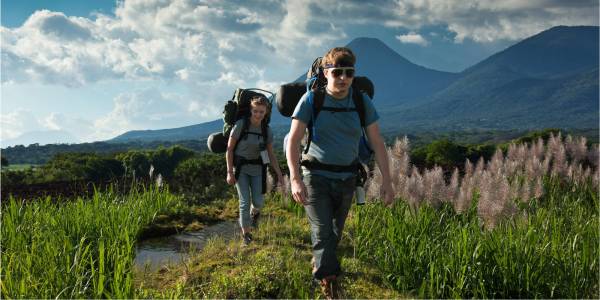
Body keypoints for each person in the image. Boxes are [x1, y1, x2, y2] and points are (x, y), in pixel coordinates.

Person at [286, 47, 394, 298]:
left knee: (335, 231)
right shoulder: (312, 100)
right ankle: (329, 283)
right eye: (337, 73)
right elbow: (293, 140)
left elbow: (377, 142)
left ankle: (321, 263)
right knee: (323, 230)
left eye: (349, 73)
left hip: (347, 178)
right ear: (326, 73)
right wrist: (294, 179)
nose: (343, 78)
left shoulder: (360, 101)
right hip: (315, 176)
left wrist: (387, 181)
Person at [226, 95, 283, 246]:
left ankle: (254, 212)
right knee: (244, 201)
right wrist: (229, 172)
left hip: (258, 169)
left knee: (258, 202)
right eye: (255, 111)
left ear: (266, 113)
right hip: (240, 169)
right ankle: (246, 235)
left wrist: (279, 173)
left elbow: (271, 154)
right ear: (251, 110)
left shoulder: (266, 130)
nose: (258, 114)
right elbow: (229, 149)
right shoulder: (241, 125)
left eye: (261, 112)